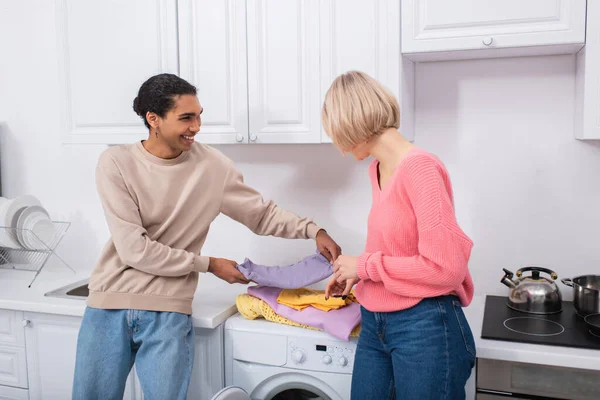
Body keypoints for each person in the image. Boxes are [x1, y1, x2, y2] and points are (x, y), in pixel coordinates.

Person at [72, 73, 341, 400]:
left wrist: (313, 230)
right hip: (108, 306)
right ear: (153, 119)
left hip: (169, 312)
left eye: (199, 116)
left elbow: (260, 213)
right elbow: (133, 249)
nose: (197, 126)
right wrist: (208, 264)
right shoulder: (116, 163)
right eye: (186, 117)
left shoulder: (213, 167)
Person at [322, 71, 476, 399]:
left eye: (338, 134)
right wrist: (358, 277)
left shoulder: (421, 168)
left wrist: (363, 267)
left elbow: (446, 268)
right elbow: (394, 250)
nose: (341, 149)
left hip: (425, 326)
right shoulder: (375, 170)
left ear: (352, 122)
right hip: (375, 323)